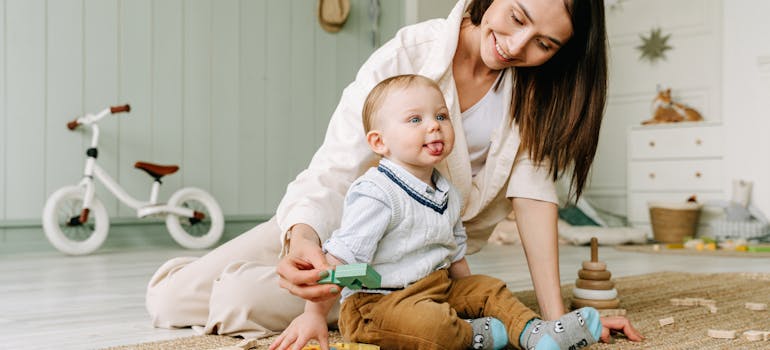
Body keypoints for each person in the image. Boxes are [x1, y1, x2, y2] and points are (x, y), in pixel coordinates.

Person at [146, 0, 643, 344]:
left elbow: (534, 199)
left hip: (414, 262)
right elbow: (334, 169)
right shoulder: (409, 54)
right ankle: (377, 304)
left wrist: (558, 320)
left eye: (545, 44)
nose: (517, 45)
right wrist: (302, 239)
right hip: (339, 222)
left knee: (236, 298)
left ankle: (388, 305)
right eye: (516, 17)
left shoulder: (536, 95)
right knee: (168, 299)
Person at [270, 74, 605, 350]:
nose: (434, 126)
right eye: (416, 119)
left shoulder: (446, 190)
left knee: (491, 289)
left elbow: (454, 253)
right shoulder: (377, 192)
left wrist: (472, 296)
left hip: (435, 287)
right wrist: (314, 315)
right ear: (379, 142)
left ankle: (538, 333)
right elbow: (340, 260)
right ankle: (474, 335)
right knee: (432, 327)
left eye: (441, 116)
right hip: (379, 306)